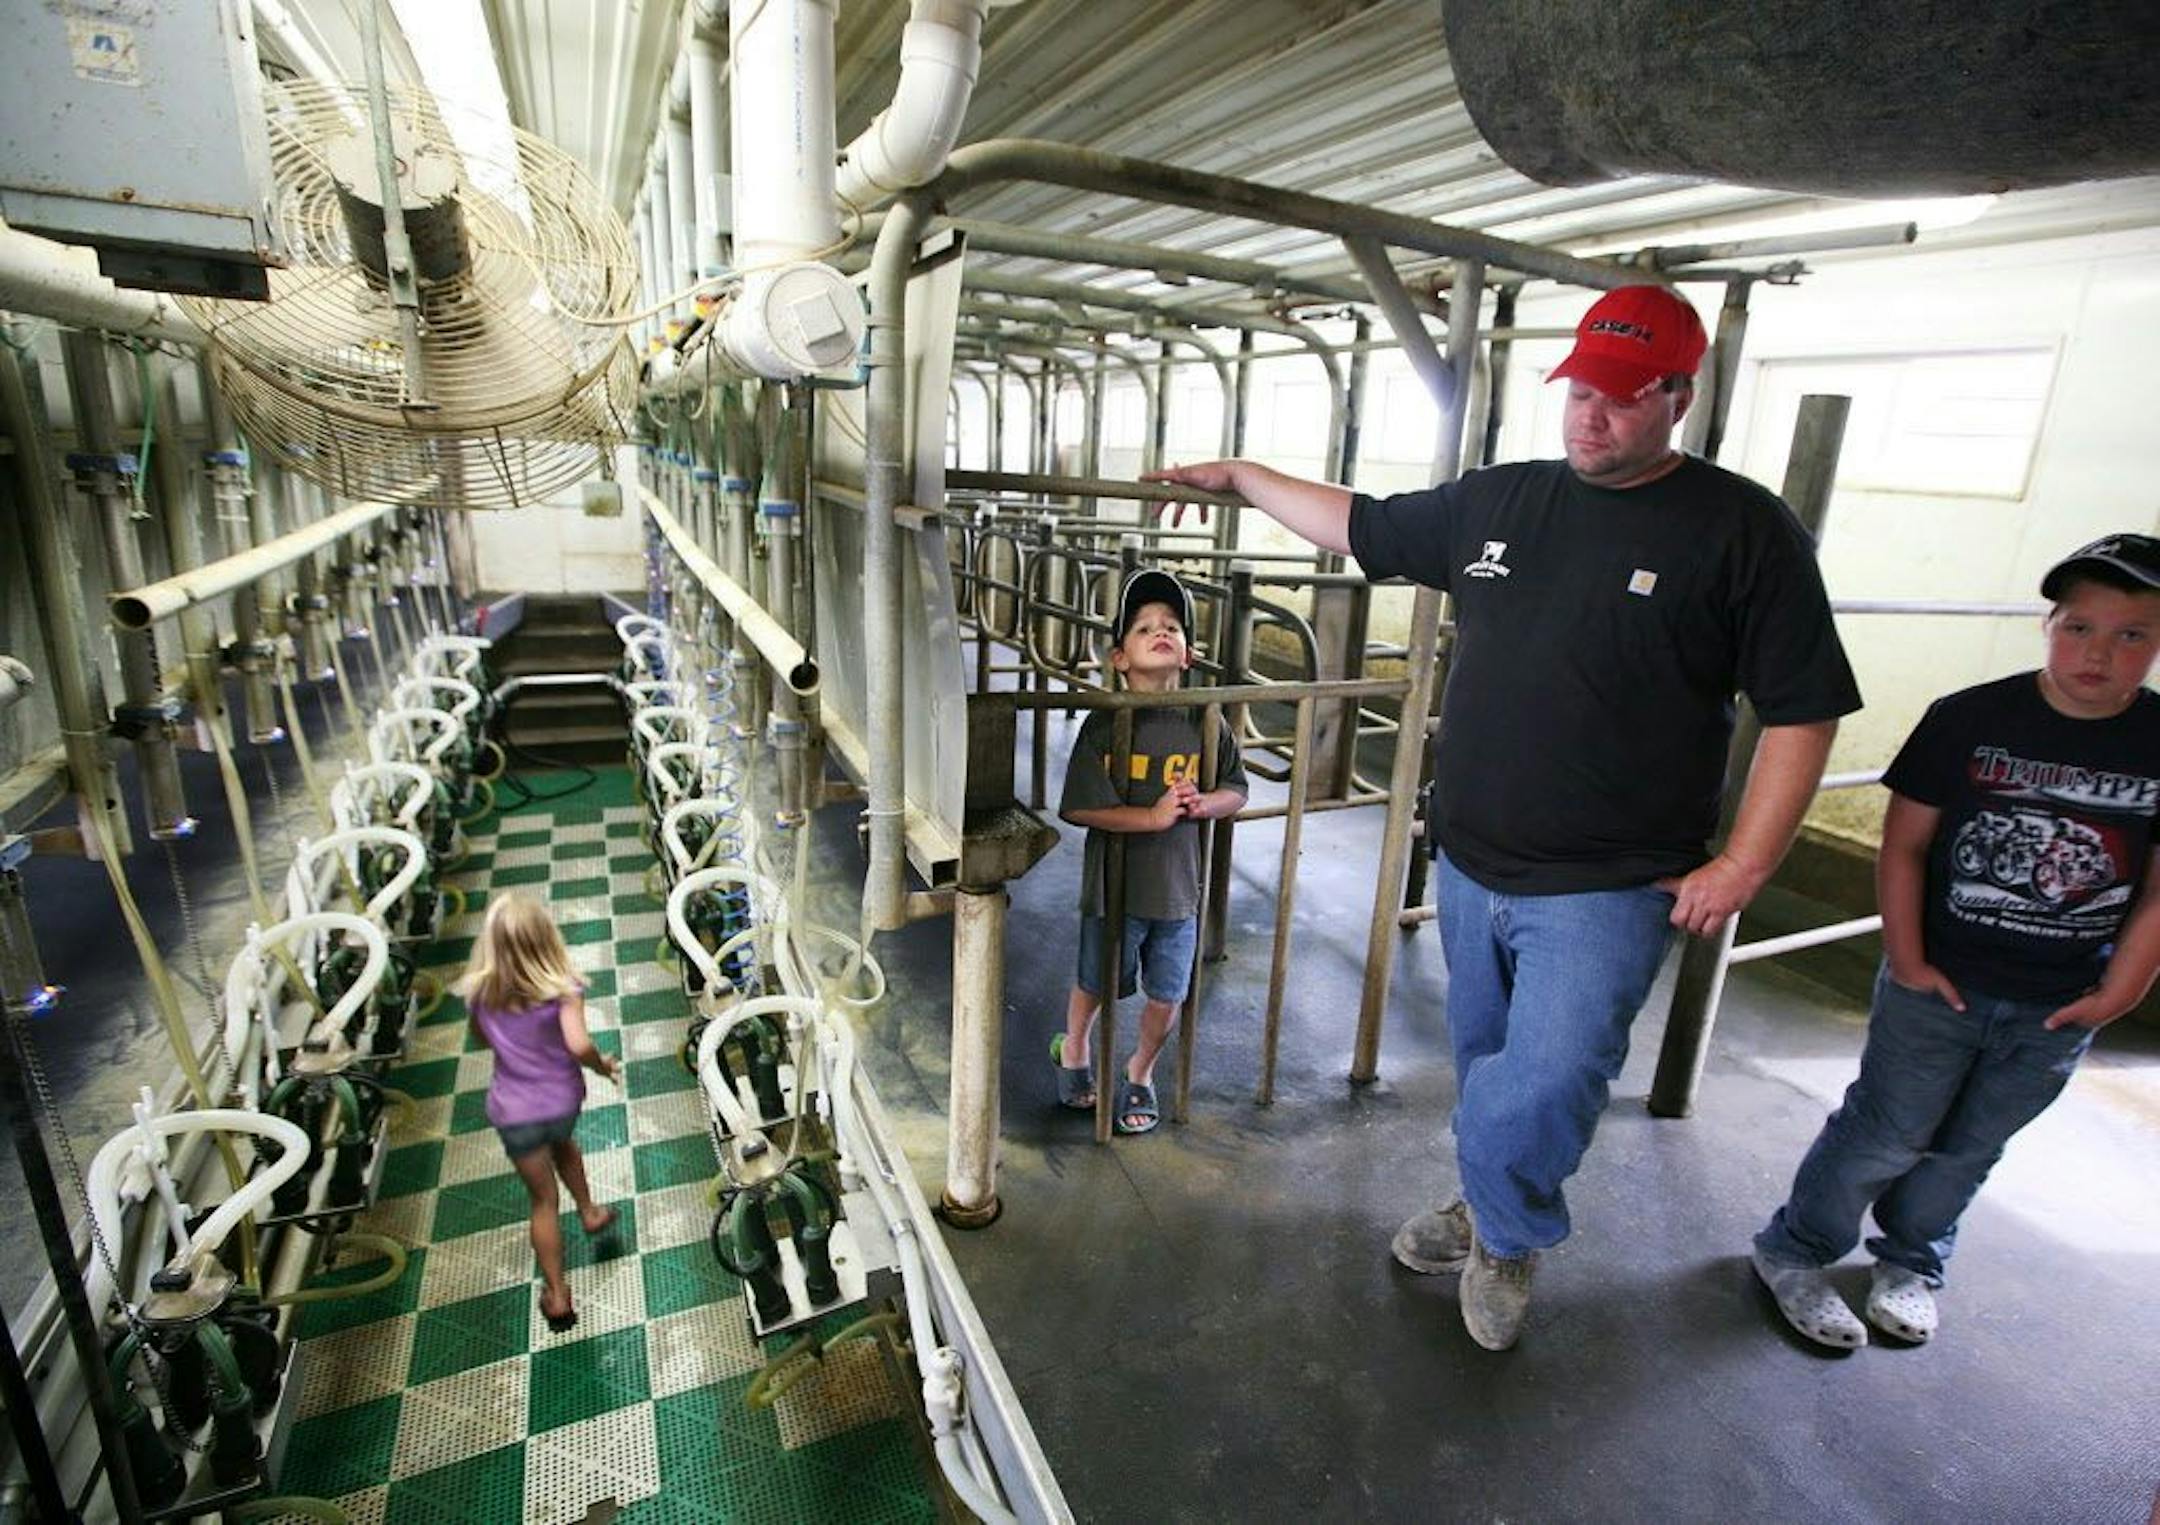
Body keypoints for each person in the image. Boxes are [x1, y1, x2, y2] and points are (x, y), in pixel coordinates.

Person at [1145, 284, 1861, 1349]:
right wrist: (1246, 477)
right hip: (1474, 860)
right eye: (1579, 390)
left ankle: (1511, 1231)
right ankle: (1489, 1200)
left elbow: (1804, 708)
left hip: (1613, 879)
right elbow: (1362, 523)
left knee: (1550, 1075)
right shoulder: (1503, 500)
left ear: (1679, 394)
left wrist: (1747, 863)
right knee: (1487, 1060)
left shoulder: (1743, 530)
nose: (1590, 416)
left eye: (1622, 398)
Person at [1752, 534, 2160, 1349]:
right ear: (2049, 623)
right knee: (1887, 1128)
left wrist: (2124, 988)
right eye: (2080, 627)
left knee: (1973, 1143)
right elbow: (1904, 846)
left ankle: (1912, 1260)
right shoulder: (1971, 718)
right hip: (1941, 979)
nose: (2099, 653)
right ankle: (1796, 1249)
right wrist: (1906, 958)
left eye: (2132, 635)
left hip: (2061, 998)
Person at [1053, 567, 1249, 1135]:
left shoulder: (1207, 720)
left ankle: (1141, 1069)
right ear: (1119, 657)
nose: (1160, 631)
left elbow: (1236, 787)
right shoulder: (1105, 722)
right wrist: (1153, 816)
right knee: (1096, 979)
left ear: (1187, 654)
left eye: (1171, 627)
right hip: (1113, 888)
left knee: (1169, 992)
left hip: (1178, 889)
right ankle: (1076, 1049)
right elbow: (1079, 807)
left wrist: (1207, 805)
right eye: (1144, 628)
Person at [461, 892, 623, 1332]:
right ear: (547, 940)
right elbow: (578, 1045)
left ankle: (556, 1293)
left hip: (513, 1113)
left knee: (542, 1201)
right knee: (564, 1145)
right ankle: (589, 1210)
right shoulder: (563, 990)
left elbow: (482, 1040)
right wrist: (600, 1064)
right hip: (560, 1102)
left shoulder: (480, 995)